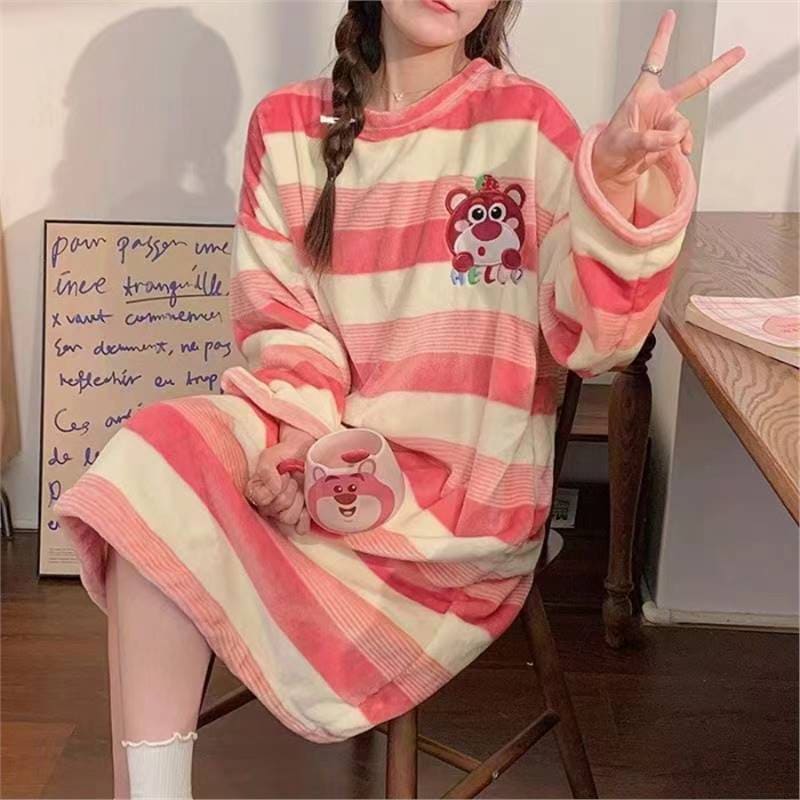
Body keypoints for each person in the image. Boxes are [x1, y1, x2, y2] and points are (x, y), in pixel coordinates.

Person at [53, 1, 745, 797]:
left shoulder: (529, 127)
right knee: (153, 459)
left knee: (167, 490)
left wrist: (620, 188)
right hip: (322, 466)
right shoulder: (285, 127)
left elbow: (598, 340)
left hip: (461, 517)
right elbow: (287, 329)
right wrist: (297, 441)